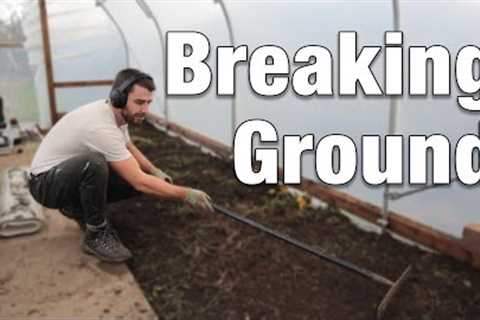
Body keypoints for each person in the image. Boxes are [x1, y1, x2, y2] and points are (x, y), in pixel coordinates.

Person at [28, 68, 214, 263]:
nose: (145, 110)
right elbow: (140, 182)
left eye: (148, 103)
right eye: (139, 102)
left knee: (128, 173)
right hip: (45, 184)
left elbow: (128, 145)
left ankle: (75, 207)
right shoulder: (100, 126)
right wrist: (186, 194)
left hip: (65, 175)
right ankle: (97, 234)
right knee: (95, 165)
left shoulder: (117, 114)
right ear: (119, 97)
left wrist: (153, 170)